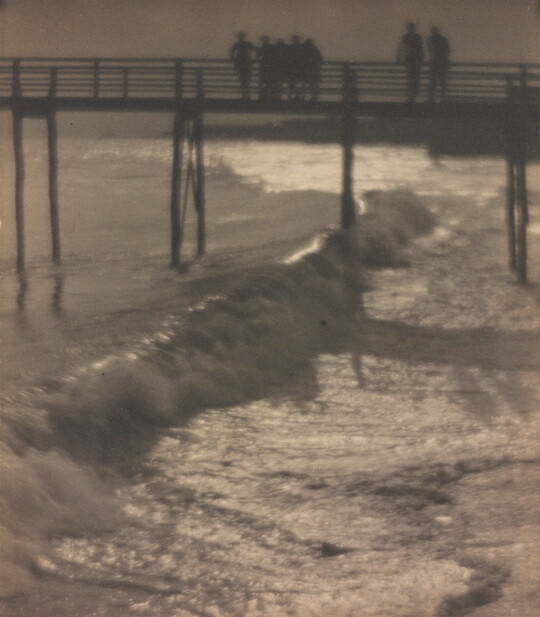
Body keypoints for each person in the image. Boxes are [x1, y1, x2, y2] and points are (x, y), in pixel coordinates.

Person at [397, 22, 424, 103]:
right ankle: (410, 97)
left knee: (416, 79)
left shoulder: (418, 37)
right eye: (410, 28)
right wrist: (399, 56)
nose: (411, 29)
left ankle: (414, 97)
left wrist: (421, 58)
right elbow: (401, 47)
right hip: (409, 60)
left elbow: (421, 49)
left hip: (416, 60)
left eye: (412, 28)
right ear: (408, 29)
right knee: (410, 79)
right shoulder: (405, 37)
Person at [230, 32, 256, 100]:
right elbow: (231, 52)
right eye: (240, 36)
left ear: (244, 37)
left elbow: (256, 49)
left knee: (247, 80)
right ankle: (244, 95)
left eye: (242, 36)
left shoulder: (247, 43)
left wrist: (254, 58)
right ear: (238, 37)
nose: (241, 37)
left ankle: (248, 95)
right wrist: (233, 58)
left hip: (247, 63)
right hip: (240, 63)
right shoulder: (236, 44)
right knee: (242, 80)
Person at [427, 26, 450, 102]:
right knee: (440, 81)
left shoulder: (431, 40)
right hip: (440, 62)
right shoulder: (442, 39)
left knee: (436, 81)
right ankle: (441, 98)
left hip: (437, 62)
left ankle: (434, 98)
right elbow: (447, 50)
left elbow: (430, 49)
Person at [256, 35, 274, 101]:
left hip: (268, 66)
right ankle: (263, 96)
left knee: (267, 81)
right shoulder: (262, 47)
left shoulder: (271, 47)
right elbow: (257, 57)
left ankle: (267, 96)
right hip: (264, 66)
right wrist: (257, 51)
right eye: (264, 40)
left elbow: (257, 57)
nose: (265, 41)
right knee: (263, 81)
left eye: (266, 40)